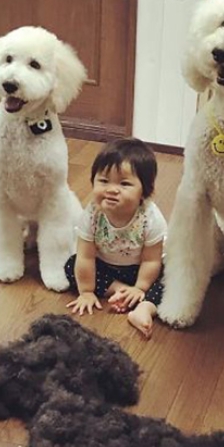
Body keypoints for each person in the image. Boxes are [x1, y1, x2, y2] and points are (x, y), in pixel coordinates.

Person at [66, 138, 166, 338]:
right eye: (103, 181)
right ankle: (121, 291)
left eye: (125, 183)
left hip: (142, 270)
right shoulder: (92, 214)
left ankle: (143, 308)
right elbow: (86, 256)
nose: (112, 189)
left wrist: (140, 287)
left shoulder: (150, 218)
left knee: (171, 278)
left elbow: (151, 260)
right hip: (106, 267)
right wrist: (86, 292)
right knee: (72, 264)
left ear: (143, 192)